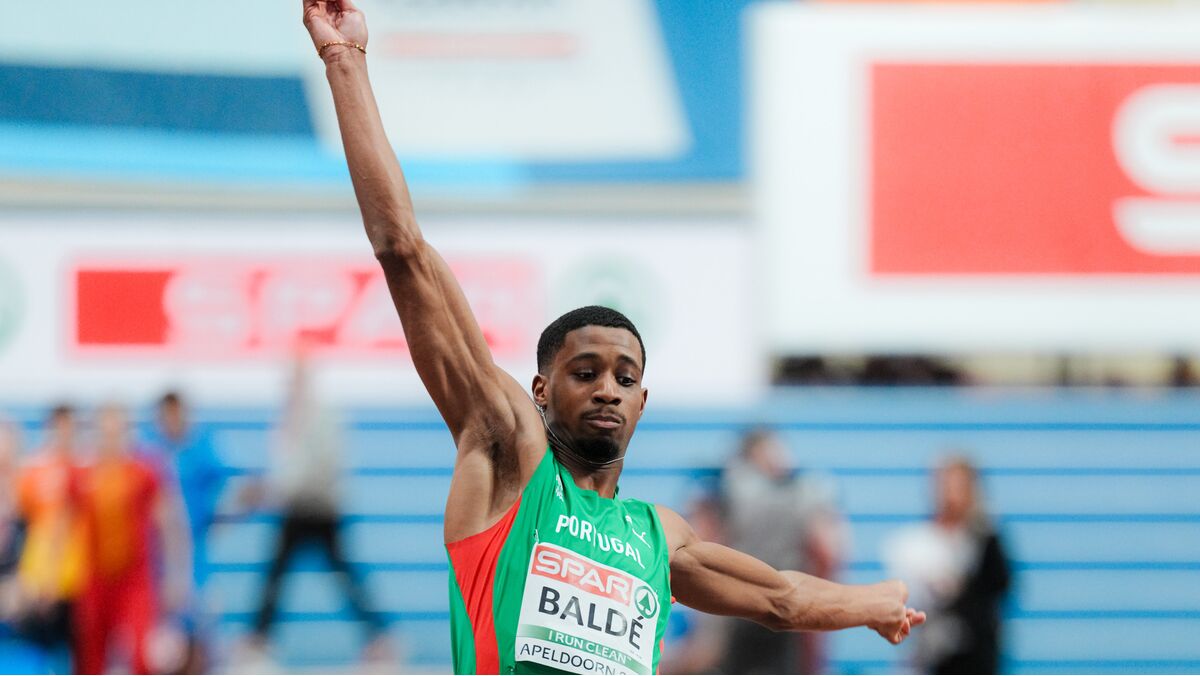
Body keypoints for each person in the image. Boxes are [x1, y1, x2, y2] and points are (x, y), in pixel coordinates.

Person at [301, 2, 924, 673]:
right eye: (585, 371)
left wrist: (873, 604)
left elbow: (782, 598)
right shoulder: (511, 456)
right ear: (541, 389)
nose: (607, 389)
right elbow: (403, 251)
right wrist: (345, 61)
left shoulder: (659, 537)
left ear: (642, 402)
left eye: (625, 378)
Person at [248, 350, 387, 654]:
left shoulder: (322, 414)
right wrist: (272, 489)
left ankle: (380, 638)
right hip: (295, 509)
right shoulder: (288, 416)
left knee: (342, 576)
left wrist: (274, 489)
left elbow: (323, 464)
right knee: (277, 576)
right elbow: (285, 467)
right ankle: (258, 640)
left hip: (321, 509)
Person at [72, 403, 192, 674]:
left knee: (142, 658)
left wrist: (177, 576)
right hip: (94, 580)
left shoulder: (145, 471)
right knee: (90, 659)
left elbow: (171, 525)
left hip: (134, 580)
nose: (111, 439)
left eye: (117, 431)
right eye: (105, 432)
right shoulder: (83, 474)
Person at [720, 429, 848, 674]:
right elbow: (826, 551)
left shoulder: (732, 487)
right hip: (784, 599)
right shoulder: (806, 491)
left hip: (743, 600)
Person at [882, 456, 1011, 674]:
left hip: (976, 658)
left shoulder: (984, 540)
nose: (952, 495)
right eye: (948, 485)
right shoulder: (916, 544)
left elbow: (1000, 584)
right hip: (930, 657)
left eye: (960, 486)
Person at [13, 404, 87, 667]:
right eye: (58, 427)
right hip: (40, 575)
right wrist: (31, 575)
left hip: (78, 575)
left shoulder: (86, 470)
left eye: (69, 427)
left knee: (78, 648)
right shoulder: (34, 472)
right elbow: (24, 527)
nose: (64, 433)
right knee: (41, 646)